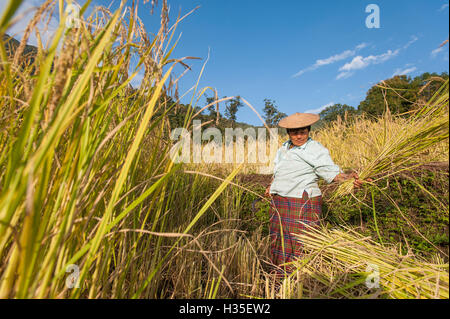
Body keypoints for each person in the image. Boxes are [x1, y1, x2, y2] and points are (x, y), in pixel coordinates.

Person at [264, 112, 366, 273]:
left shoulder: (314, 149)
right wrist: (272, 186)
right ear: (288, 133)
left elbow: (331, 172)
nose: (299, 136)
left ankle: (301, 281)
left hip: (300, 202)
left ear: (309, 130)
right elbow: (279, 171)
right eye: (295, 133)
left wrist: (348, 177)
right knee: (280, 242)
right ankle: (279, 279)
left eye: (303, 132)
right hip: (280, 202)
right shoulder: (283, 148)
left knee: (299, 245)